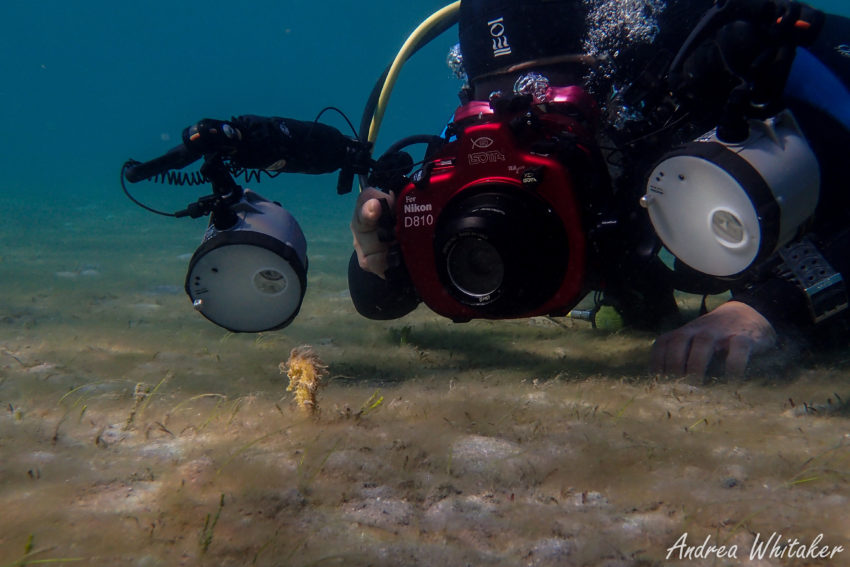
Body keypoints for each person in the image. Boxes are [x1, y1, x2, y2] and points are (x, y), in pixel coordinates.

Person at [349, 0, 850, 379]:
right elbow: (384, 295)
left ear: (624, 76)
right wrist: (386, 246)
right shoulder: (512, 143)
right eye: (492, 102)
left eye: (554, 98)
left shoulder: (731, 88)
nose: (524, 123)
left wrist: (774, 304)